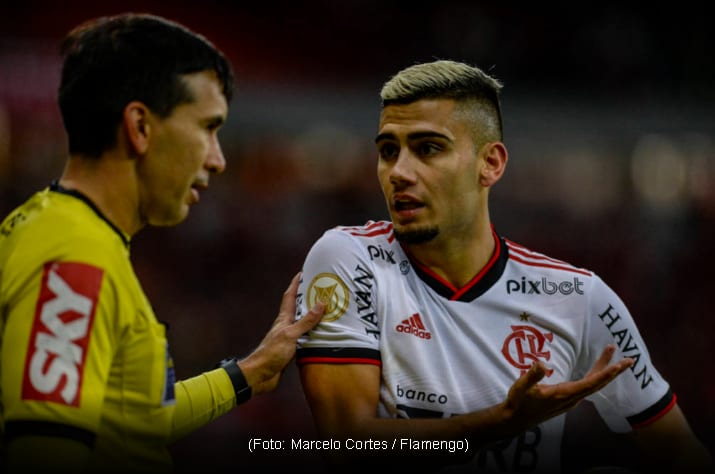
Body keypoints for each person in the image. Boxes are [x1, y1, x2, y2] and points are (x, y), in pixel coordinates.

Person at [295, 60, 713, 473]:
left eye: (428, 148)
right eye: (389, 151)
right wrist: (501, 423)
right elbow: (344, 441)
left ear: (490, 164)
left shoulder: (578, 298)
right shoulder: (348, 260)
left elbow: (678, 451)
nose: (399, 173)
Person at [0, 13, 325, 474]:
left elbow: (130, 422)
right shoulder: (73, 258)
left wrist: (251, 373)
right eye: (208, 128)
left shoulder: (66, 230)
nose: (218, 159)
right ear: (141, 126)